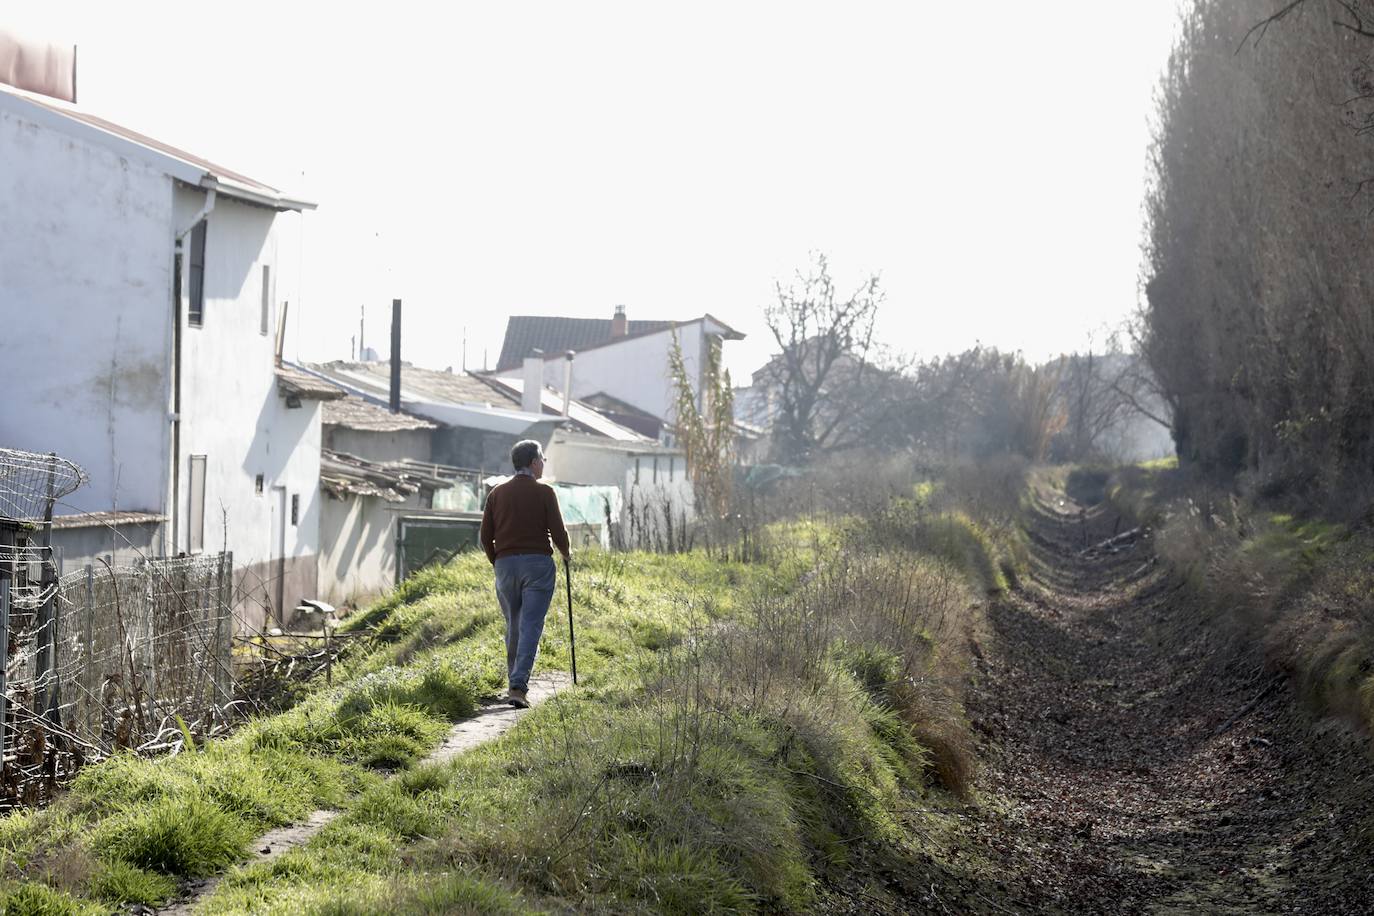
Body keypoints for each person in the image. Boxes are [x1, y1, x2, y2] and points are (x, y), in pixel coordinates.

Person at [479, 439, 570, 708]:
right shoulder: (545, 492)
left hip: (505, 565)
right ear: (533, 462)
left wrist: (497, 561)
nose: (543, 464)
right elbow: (558, 532)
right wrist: (566, 553)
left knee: (514, 624)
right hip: (537, 565)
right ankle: (518, 687)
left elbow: (485, 537)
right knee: (530, 624)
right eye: (542, 459)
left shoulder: (496, 493)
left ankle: (513, 682)